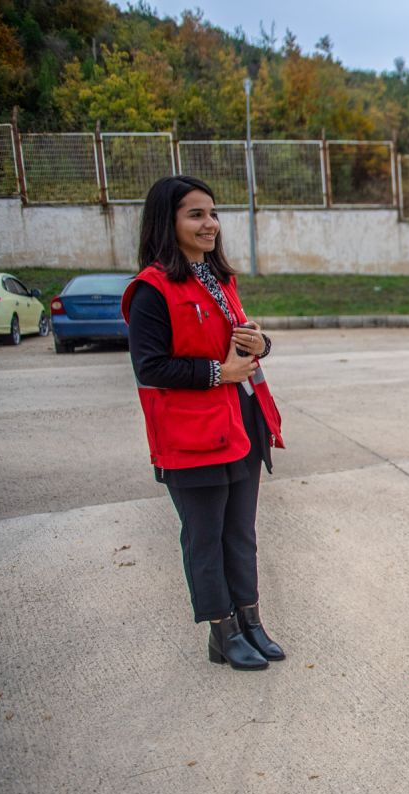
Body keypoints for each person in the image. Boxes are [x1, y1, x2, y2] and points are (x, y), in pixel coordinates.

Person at [122, 175, 286, 671]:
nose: (210, 223)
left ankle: (251, 620)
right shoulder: (151, 290)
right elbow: (150, 367)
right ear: (166, 222)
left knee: (240, 532)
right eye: (196, 214)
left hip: (241, 423)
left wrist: (261, 345)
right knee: (205, 535)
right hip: (192, 437)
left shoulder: (219, 279)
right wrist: (220, 372)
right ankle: (222, 631)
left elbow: (236, 343)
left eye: (212, 213)